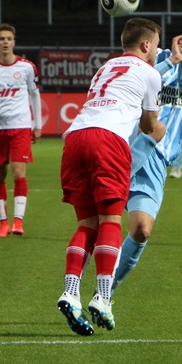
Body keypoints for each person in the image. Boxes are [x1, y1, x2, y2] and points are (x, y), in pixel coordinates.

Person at [57, 17, 162, 336]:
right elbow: (148, 126)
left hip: (75, 138)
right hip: (108, 141)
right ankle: (103, 297)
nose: (157, 50)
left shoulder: (104, 68)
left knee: (86, 225)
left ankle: (70, 292)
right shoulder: (150, 72)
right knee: (111, 222)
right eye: (157, 44)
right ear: (146, 45)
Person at [113, 17, 182, 291]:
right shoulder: (160, 58)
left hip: (157, 161)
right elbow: (132, 80)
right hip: (125, 147)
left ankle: (106, 291)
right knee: (98, 222)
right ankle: (74, 286)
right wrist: (171, 59)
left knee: (141, 230)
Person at [0, 23, 43, 238]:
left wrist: (37, 125)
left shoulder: (26, 67)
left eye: (8, 39)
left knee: (18, 172)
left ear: (14, 42)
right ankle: (3, 223)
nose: (5, 42)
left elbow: (35, 96)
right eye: (1, 39)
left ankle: (18, 222)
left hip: (21, 126)